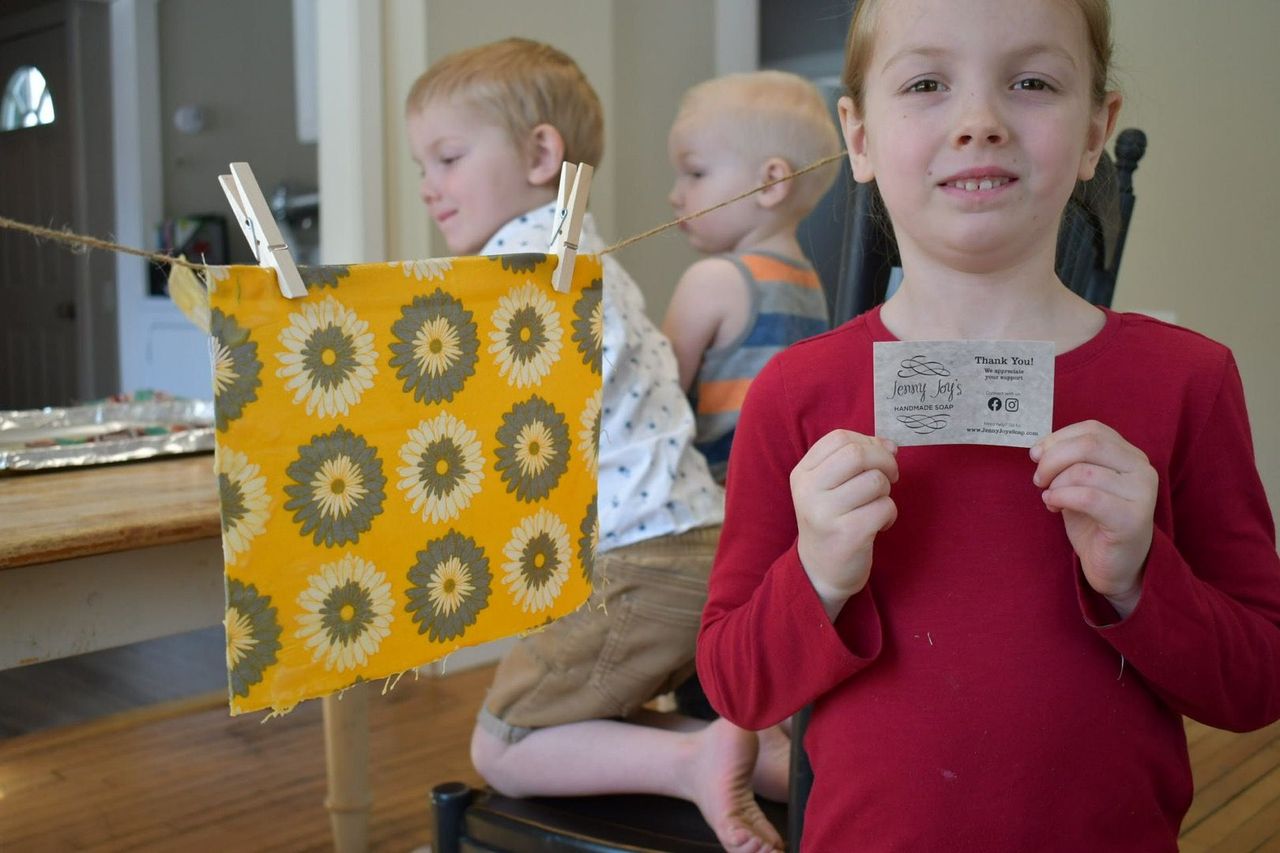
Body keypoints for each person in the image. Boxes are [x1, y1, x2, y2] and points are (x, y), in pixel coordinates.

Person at [696, 0, 1280, 850]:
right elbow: (736, 687)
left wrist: (1141, 577)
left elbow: (1259, 679)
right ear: (857, 137)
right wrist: (816, 573)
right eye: (927, 82)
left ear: (1094, 132)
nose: (980, 122)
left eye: (1032, 82)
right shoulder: (797, 392)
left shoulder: (1189, 380)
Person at [405, 38, 786, 852]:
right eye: (422, 165)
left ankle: (695, 758)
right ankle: (798, 764)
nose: (430, 186)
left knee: (501, 744)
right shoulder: (582, 253)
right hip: (696, 546)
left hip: (639, 561)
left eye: (447, 157)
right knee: (609, 708)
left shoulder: (521, 270)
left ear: (542, 153)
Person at [663, 71, 839, 484]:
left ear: (771, 182)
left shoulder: (713, 279)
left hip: (718, 495)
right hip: (787, 490)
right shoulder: (808, 283)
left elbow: (653, 398)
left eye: (695, 173)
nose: (676, 195)